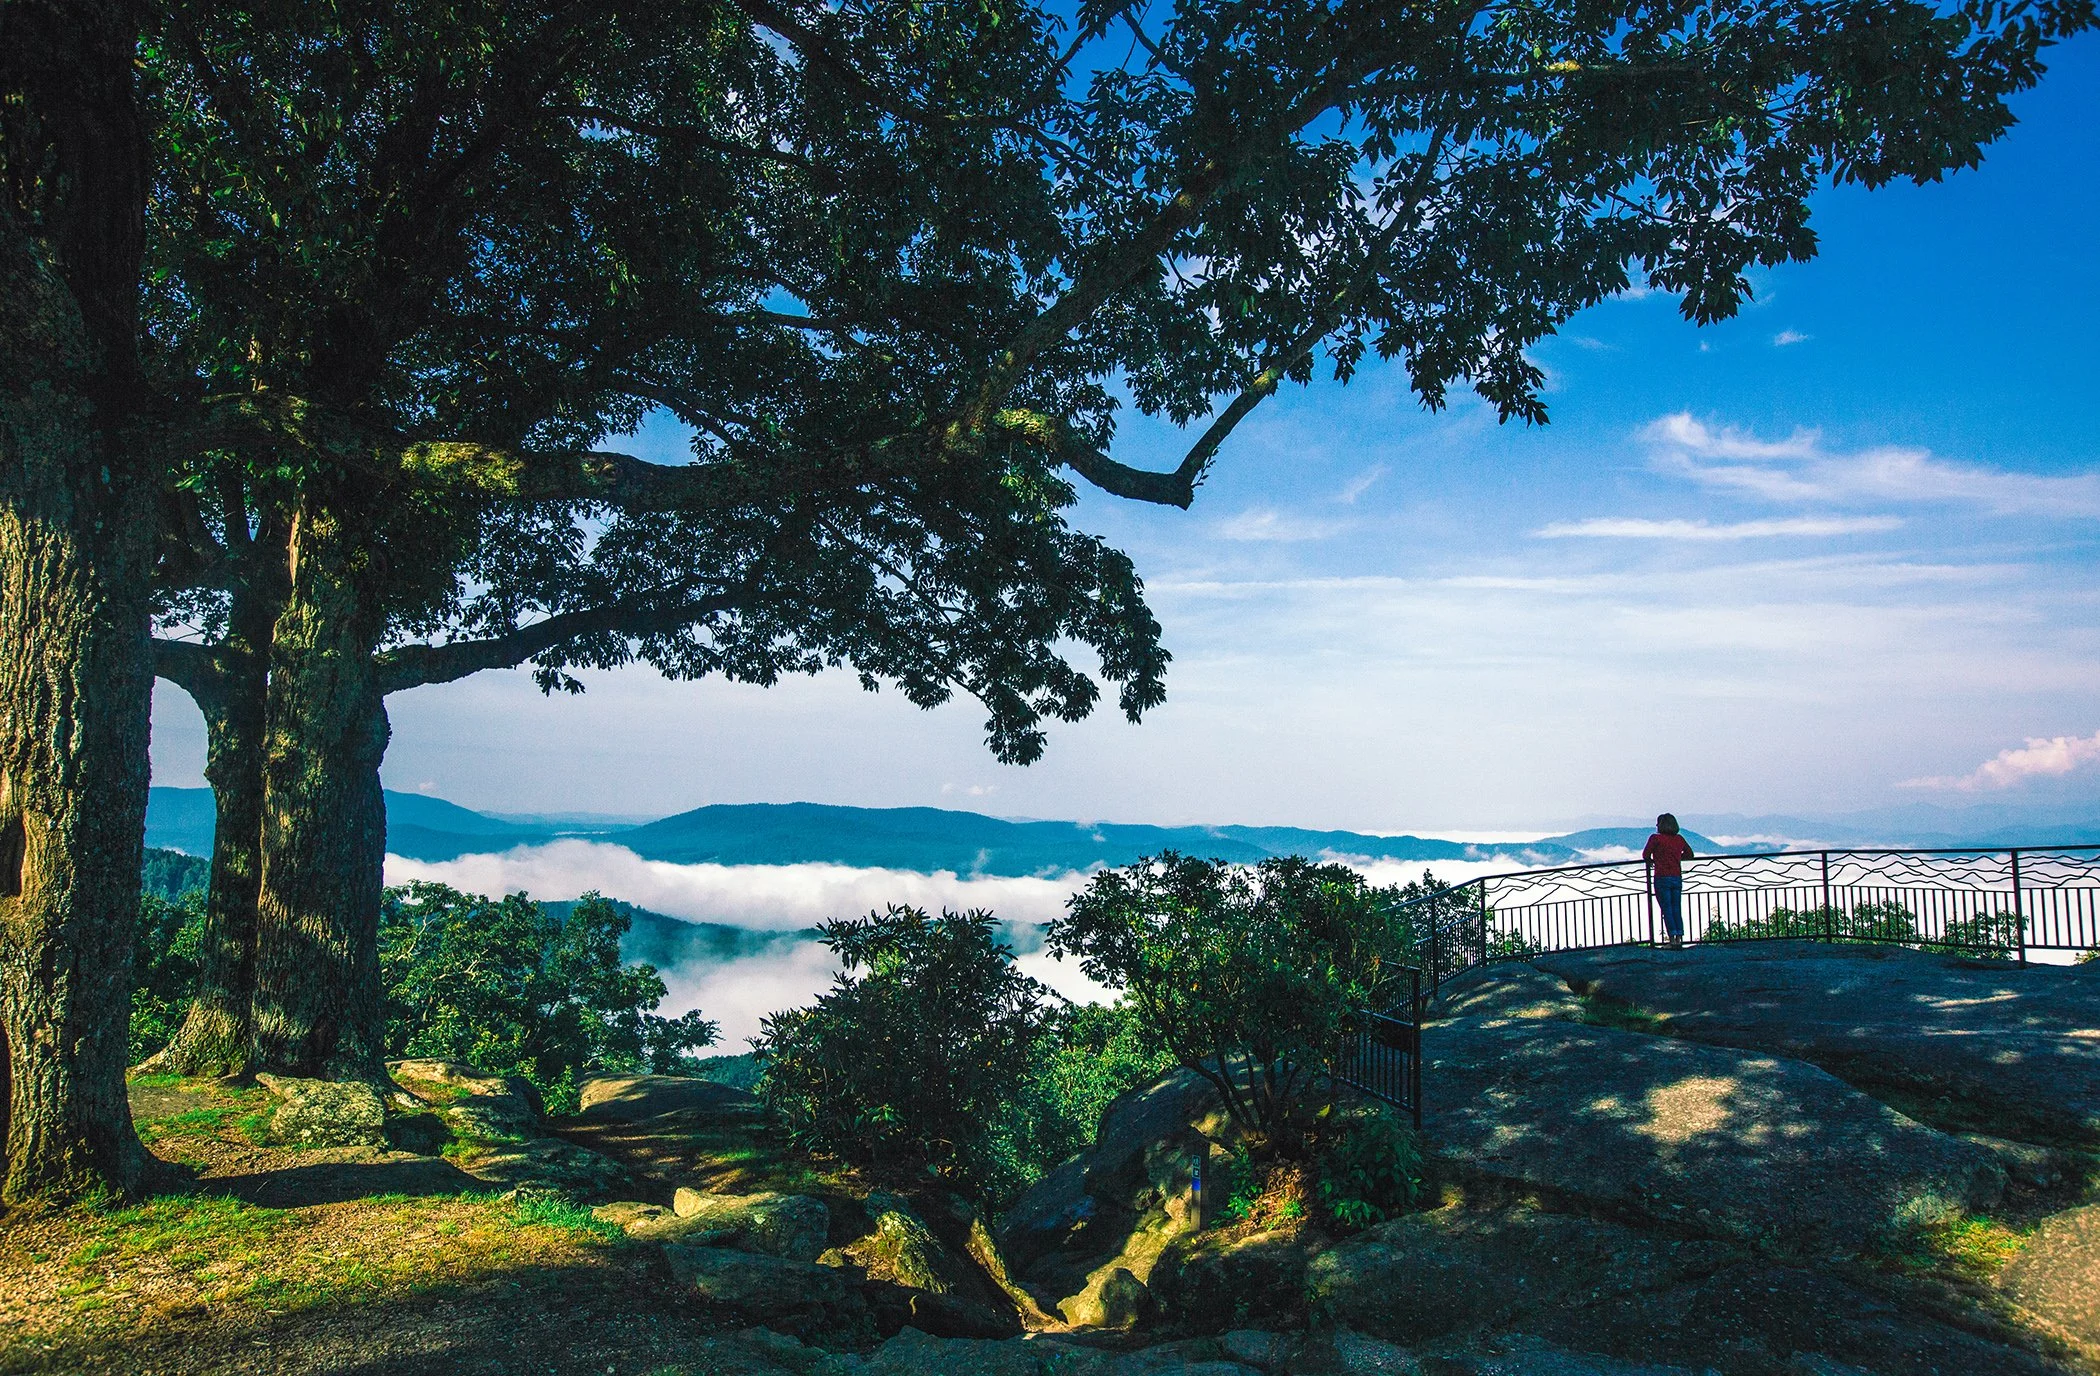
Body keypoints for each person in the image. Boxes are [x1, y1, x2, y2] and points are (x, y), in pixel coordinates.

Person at [1643, 813, 1695, 948]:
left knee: (1667, 909)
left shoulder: (1655, 839)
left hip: (1662, 877)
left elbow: (1645, 855)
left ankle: (1672, 940)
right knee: (1676, 907)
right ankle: (1679, 938)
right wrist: (1677, 858)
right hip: (1677, 877)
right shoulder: (1679, 839)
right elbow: (1690, 854)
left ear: (1661, 825)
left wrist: (1656, 860)